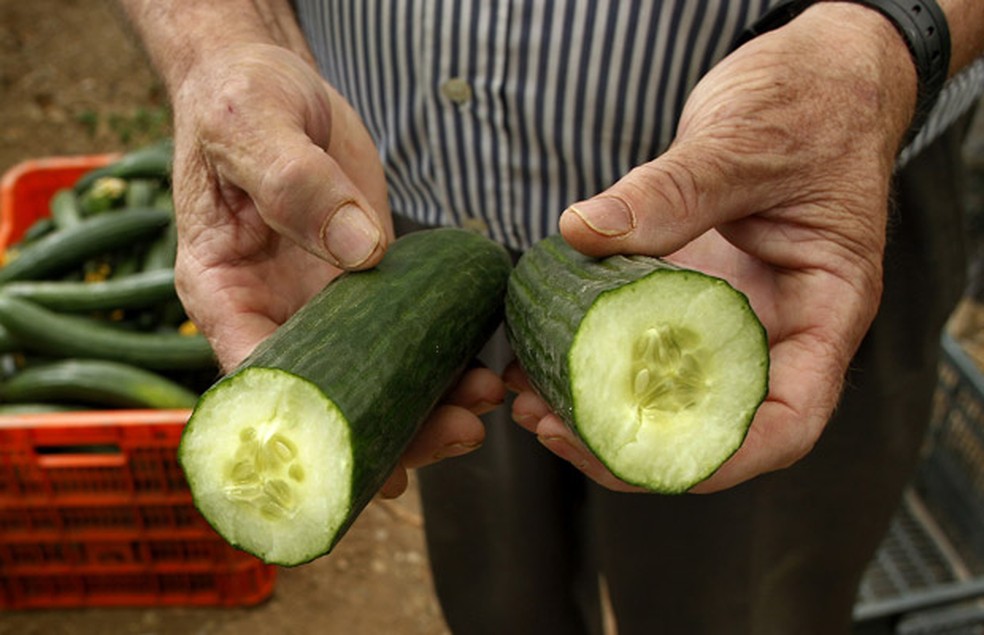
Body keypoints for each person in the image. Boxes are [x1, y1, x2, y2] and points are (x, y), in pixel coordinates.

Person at [118, 1, 984, 632]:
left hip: (791, 212)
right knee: (498, 592)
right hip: (370, 236)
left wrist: (891, 33)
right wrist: (219, 43)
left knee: (754, 604)